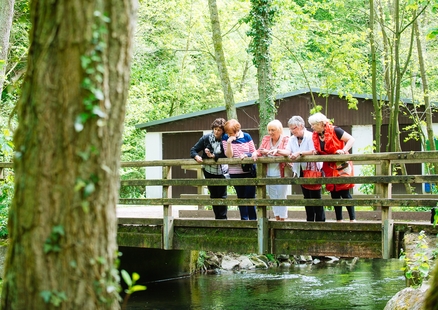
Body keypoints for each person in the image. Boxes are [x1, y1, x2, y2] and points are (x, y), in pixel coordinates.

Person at [308, 112, 356, 222]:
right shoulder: (316, 135)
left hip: (341, 163)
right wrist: (317, 152)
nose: (311, 127)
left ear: (320, 123)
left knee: (344, 191)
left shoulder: (336, 130)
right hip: (329, 165)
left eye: (313, 124)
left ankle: (352, 219)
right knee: (334, 192)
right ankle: (339, 219)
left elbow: (351, 139)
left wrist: (343, 150)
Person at [283, 116, 325, 222]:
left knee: (316, 197)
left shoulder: (311, 136)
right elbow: (288, 151)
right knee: (306, 197)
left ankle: (320, 221)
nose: (292, 131)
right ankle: (309, 220)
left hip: (313, 170)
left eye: (294, 128)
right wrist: (277, 151)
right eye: (291, 129)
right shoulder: (292, 139)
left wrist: (299, 153)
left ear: (301, 126)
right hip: (300, 169)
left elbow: (314, 151)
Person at [190, 118, 228, 219]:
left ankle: (223, 218)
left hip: (222, 171)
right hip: (209, 171)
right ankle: (217, 218)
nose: (216, 131)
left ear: (223, 131)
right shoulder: (206, 138)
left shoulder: (226, 139)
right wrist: (196, 156)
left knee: (222, 195)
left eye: (219, 130)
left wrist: (214, 156)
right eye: (215, 129)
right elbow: (193, 150)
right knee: (214, 195)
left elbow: (227, 155)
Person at [252, 120, 289, 221]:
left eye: (273, 130)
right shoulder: (266, 139)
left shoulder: (285, 139)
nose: (270, 132)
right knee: (273, 197)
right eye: (269, 130)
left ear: (279, 130)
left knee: (281, 196)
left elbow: (286, 152)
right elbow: (260, 150)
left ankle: (283, 218)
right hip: (268, 173)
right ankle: (277, 217)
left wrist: (269, 152)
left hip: (281, 172)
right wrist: (255, 153)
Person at [222, 119, 257, 220]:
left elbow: (253, 152)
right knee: (241, 196)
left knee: (250, 196)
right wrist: (229, 142)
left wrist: (246, 155)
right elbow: (229, 156)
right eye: (228, 133)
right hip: (235, 172)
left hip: (248, 171)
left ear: (237, 131)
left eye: (231, 133)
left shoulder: (246, 136)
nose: (229, 134)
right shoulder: (225, 138)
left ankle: (253, 219)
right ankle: (244, 219)